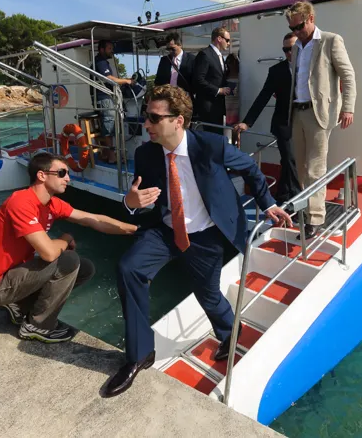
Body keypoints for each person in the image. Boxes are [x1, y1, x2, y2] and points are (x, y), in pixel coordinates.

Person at [101, 85, 292, 397]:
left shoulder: (212, 146)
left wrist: (268, 203)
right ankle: (139, 354)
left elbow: (251, 170)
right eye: (145, 116)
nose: (145, 124)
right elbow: (141, 197)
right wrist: (131, 202)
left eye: (153, 117)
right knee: (129, 268)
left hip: (206, 235)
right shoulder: (145, 153)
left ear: (178, 121)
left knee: (208, 295)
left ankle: (231, 333)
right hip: (164, 231)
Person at [0, 152, 136, 343]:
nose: (68, 178)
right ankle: (37, 326)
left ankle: (20, 306)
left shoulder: (51, 204)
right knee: (68, 260)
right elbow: (48, 253)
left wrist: (136, 230)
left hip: (12, 276)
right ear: (42, 175)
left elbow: (93, 219)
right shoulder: (21, 202)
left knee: (85, 268)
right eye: (62, 173)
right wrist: (65, 239)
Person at [286, 1, 356, 239]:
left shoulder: (330, 40)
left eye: (300, 26)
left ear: (311, 18)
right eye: (293, 28)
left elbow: (348, 76)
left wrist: (348, 108)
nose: (297, 32)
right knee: (302, 170)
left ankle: (315, 219)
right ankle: (306, 211)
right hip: (297, 112)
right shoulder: (297, 47)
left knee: (316, 168)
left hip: (319, 114)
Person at [234, 33, 301, 203]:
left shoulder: (310, 68)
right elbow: (263, 96)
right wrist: (247, 122)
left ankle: (282, 195)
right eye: (285, 50)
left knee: (291, 161)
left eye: (292, 49)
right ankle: (297, 199)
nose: (289, 53)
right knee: (289, 159)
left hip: (305, 123)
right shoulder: (276, 71)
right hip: (283, 124)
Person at [93, 40, 133, 163]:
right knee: (109, 125)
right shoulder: (100, 62)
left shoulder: (103, 62)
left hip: (108, 97)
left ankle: (109, 153)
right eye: (109, 48)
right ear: (102, 49)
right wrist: (126, 81)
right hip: (104, 97)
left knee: (112, 125)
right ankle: (111, 156)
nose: (112, 51)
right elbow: (109, 79)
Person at [192, 26, 233, 132]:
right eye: (227, 40)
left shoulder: (219, 56)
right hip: (208, 107)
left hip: (217, 107)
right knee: (210, 139)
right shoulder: (205, 54)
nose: (229, 43)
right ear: (219, 39)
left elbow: (216, 77)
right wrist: (219, 90)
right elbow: (198, 80)